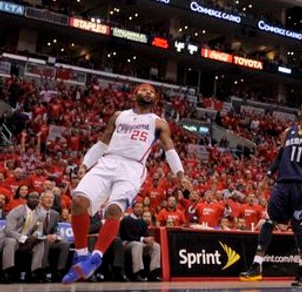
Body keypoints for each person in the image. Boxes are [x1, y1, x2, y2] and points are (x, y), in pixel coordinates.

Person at [62, 83, 192, 284]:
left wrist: (180, 174)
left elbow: (169, 148)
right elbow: (102, 142)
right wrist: (85, 164)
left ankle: (96, 257)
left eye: (152, 92)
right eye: (144, 90)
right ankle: (81, 256)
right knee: (78, 201)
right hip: (107, 161)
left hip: (132, 168)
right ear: (134, 95)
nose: (148, 92)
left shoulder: (158, 122)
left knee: (113, 210)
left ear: (155, 99)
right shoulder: (118, 115)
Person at [239, 97, 302, 288]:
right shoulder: (288, 132)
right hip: (282, 183)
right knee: (268, 220)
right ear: (299, 112)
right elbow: (280, 156)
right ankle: (257, 266)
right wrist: (268, 175)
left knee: (297, 225)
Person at [0, 191, 45, 283]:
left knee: (40, 243)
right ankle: (7, 272)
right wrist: (24, 238)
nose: (35, 199)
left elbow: (39, 229)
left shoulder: (40, 213)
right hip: (8, 238)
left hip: (25, 241)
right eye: (32, 197)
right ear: (26, 200)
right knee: (11, 241)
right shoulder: (17, 211)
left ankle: (34, 272)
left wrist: (35, 237)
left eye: (37, 198)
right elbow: (9, 230)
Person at [120, 201, 161, 281]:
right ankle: (137, 272)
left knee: (156, 246)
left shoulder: (142, 222)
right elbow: (126, 236)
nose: (139, 209)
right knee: (138, 244)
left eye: (141, 207)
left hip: (140, 244)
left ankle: (153, 272)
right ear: (132, 208)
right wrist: (142, 239)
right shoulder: (126, 220)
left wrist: (149, 241)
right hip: (127, 244)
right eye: (137, 207)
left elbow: (146, 235)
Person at [38, 190, 69, 282]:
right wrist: (45, 237)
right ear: (41, 200)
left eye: (52, 198)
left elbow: (55, 229)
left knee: (65, 244)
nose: (50, 200)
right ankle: (43, 270)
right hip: (37, 239)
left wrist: (55, 235)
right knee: (47, 241)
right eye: (47, 197)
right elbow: (32, 230)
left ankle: (59, 271)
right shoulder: (36, 212)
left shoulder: (55, 214)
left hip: (49, 240)